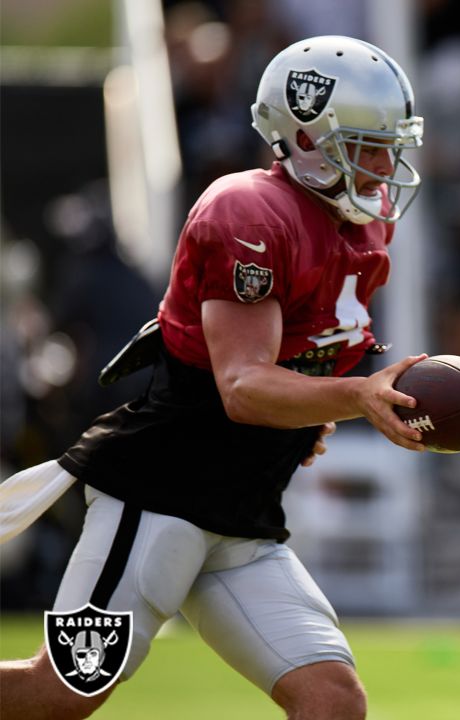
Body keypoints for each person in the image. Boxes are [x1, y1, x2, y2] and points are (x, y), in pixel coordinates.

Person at [0, 35, 428, 720]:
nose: (385, 166)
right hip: (162, 494)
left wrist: (312, 415)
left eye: (390, 144)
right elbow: (244, 386)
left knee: (331, 699)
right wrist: (354, 397)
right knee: (64, 691)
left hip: (243, 513)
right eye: (367, 145)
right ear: (307, 136)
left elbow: (298, 367)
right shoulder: (248, 212)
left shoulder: (362, 231)